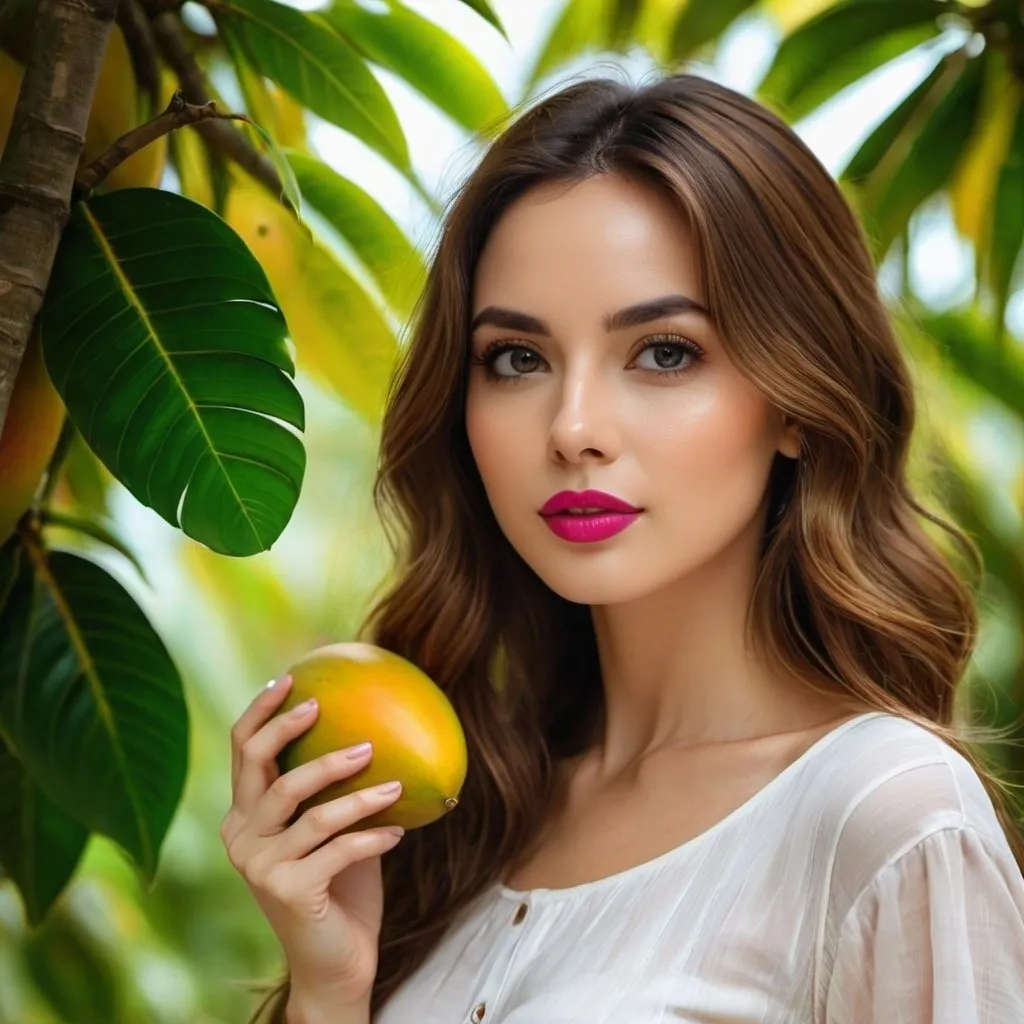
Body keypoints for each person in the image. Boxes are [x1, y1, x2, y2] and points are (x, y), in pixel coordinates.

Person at [220, 71, 1024, 1024]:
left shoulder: (889, 817)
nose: (573, 428)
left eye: (664, 352)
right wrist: (330, 989)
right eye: (517, 359)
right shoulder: (464, 819)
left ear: (797, 406)